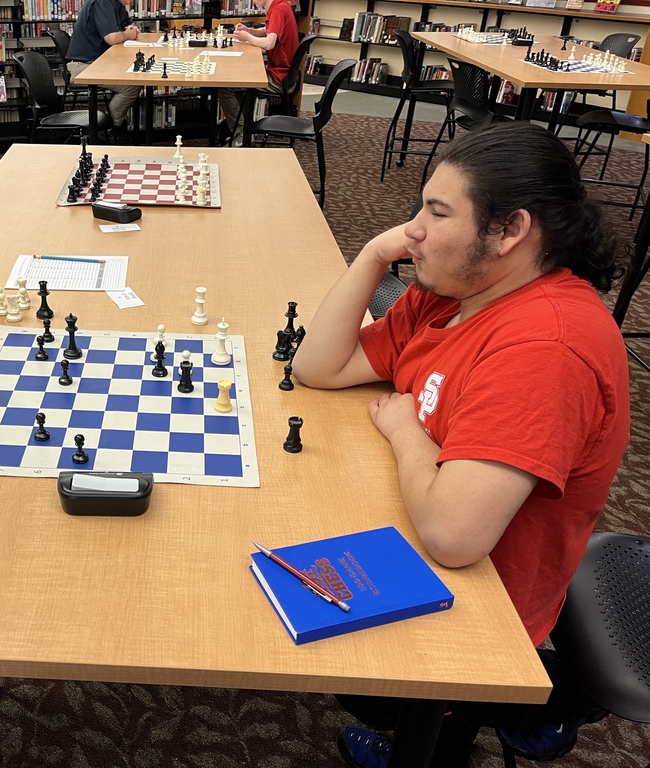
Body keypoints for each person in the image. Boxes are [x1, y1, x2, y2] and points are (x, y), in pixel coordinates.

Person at [292, 122, 630, 768]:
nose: (412, 227)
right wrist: (369, 255)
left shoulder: (544, 347)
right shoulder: (452, 295)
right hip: (420, 528)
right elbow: (320, 368)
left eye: (437, 212)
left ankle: (523, 708)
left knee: (357, 675)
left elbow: (452, 535)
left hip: (489, 603)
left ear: (509, 232)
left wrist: (408, 432)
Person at [218, 0, 299, 145]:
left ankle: (243, 134)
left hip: (279, 78)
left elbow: (269, 43)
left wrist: (247, 38)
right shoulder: (280, 5)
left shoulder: (278, 10)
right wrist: (250, 31)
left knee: (225, 87)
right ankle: (244, 129)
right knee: (239, 79)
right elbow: (269, 30)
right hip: (283, 74)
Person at [65, 0, 142, 142]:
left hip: (99, 63)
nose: (132, 1)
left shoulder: (118, 4)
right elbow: (113, 38)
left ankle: (111, 127)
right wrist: (128, 35)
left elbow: (128, 26)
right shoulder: (103, 2)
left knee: (134, 75)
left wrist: (130, 31)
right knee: (132, 85)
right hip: (83, 67)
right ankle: (109, 130)